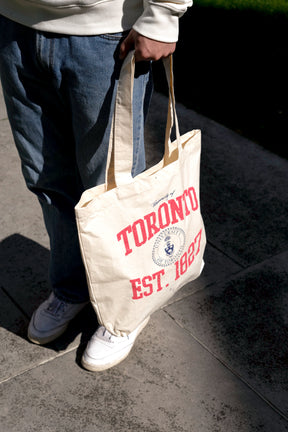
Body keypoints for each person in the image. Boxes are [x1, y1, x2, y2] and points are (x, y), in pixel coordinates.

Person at [0, 0, 192, 372]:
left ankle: (125, 309)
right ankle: (72, 289)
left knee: (113, 187)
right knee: (47, 179)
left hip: (105, 32)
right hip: (14, 23)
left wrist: (163, 13)